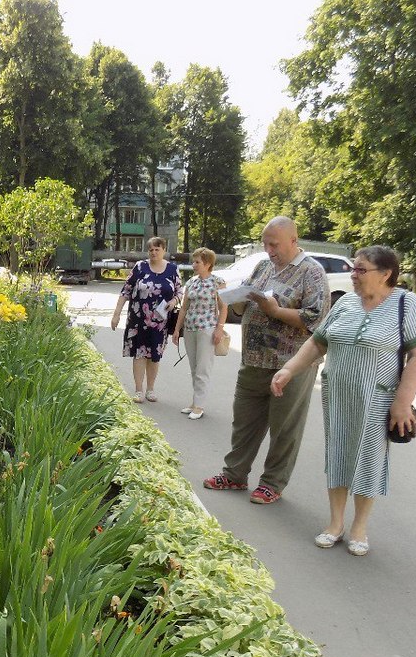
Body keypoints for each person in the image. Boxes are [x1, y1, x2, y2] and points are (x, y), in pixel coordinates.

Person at [270, 245, 416, 556]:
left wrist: (402, 403)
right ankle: (335, 524)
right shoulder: (345, 305)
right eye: (353, 269)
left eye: (361, 270)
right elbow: (319, 343)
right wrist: (289, 369)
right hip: (339, 396)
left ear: (385, 274)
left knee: (368, 460)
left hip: (379, 398)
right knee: (339, 453)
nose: (353, 275)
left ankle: (359, 527)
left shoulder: (405, 304)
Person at [203, 216, 330, 504]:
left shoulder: (311, 272)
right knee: (244, 421)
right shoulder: (263, 265)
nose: (269, 249)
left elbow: (316, 321)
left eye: (274, 244)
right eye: (265, 243)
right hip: (254, 360)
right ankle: (234, 474)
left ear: (293, 241)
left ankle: (272, 482)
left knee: (285, 427)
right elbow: (247, 293)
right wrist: (234, 298)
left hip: (290, 365)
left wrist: (275, 311)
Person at [110, 236, 182, 402]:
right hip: (138, 320)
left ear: (164, 250)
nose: (154, 252)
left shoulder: (172, 270)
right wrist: (116, 315)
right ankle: (138, 390)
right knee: (139, 354)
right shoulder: (140, 267)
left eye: (157, 249)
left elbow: (180, 292)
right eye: (151, 250)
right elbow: (125, 291)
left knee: (154, 356)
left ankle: (150, 389)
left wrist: (174, 301)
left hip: (160, 323)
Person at [170, 247, 227, 420]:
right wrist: (177, 329)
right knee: (194, 367)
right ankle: (195, 402)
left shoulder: (218, 282)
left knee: (203, 368)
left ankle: (199, 406)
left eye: (197, 262)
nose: (193, 265)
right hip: (190, 328)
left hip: (207, 329)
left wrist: (219, 329)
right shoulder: (192, 282)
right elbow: (184, 307)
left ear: (208, 264)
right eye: (193, 261)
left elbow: (224, 307)